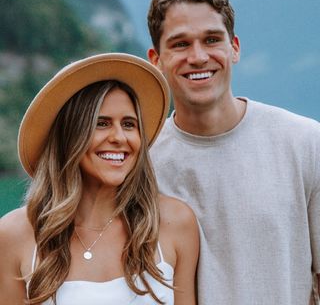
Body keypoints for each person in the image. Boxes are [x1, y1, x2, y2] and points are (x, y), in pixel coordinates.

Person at [147, 0, 320, 304]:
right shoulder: (142, 167)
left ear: (234, 48)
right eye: (181, 44)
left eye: (212, 40)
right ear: (156, 59)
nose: (198, 57)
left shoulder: (306, 144)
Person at [0, 53, 199, 305]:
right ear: (69, 136)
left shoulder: (175, 223)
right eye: (101, 123)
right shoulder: (14, 234)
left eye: (129, 124)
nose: (119, 137)